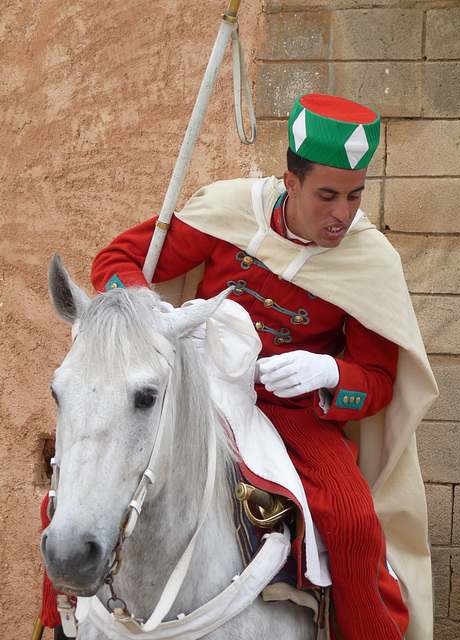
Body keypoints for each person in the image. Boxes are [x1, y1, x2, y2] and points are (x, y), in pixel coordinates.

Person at [43, 94, 438, 639]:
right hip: (196, 384)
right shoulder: (229, 211)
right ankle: (63, 620)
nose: (342, 214)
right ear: (290, 183)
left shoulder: (371, 261)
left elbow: (377, 384)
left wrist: (329, 375)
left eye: (354, 195)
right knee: (72, 494)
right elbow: (116, 261)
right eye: (327, 195)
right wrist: (153, 318)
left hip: (294, 413)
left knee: (352, 523)